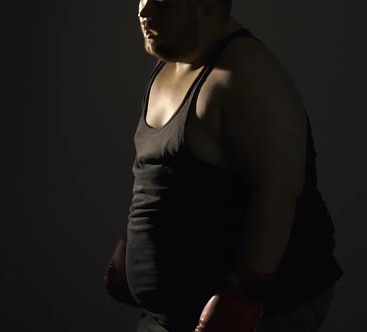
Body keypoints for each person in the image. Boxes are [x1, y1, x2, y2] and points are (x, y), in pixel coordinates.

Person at [103, 0, 344, 331]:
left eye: (162, 2)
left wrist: (243, 293)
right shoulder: (172, 61)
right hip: (170, 316)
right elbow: (159, 173)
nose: (144, 11)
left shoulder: (247, 75)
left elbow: (278, 191)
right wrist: (129, 246)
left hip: (258, 312)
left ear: (207, 6)